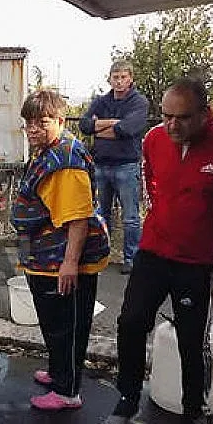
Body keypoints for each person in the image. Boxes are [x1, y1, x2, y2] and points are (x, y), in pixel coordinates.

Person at [104, 77, 213, 424]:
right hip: (153, 251)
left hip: (197, 263)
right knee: (130, 322)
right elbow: (151, 180)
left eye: (183, 118)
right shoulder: (154, 140)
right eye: (166, 116)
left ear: (205, 114)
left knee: (192, 341)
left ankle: (194, 416)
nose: (172, 126)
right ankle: (128, 397)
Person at [10, 89, 110, 411]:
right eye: (29, 122)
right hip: (44, 254)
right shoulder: (46, 150)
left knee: (68, 325)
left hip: (62, 259)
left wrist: (69, 264)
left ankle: (68, 391)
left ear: (61, 120)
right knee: (53, 322)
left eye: (43, 122)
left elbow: (78, 218)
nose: (34, 129)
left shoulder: (66, 161)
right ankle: (57, 372)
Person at [78, 60, 149, 274]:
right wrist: (113, 124)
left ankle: (131, 258)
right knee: (101, 215)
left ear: (131, 79)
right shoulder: (101, 100)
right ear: (109, 79)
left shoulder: (139, 102)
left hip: (126, 166)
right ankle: (102, 256)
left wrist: (100, 127)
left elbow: (128, 129)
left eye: (123, 77)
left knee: (131, 217)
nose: (119, 81)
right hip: (101, 164)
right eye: (115, 77)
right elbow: (84, 125)